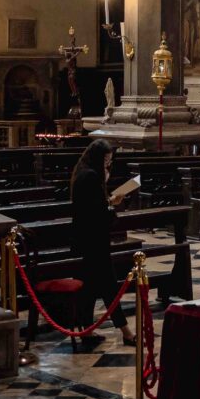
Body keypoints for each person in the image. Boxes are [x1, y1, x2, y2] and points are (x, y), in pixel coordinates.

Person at [57, 138, 136, 347]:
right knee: (109, 287)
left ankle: (87, 330)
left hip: (84, 241)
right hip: (93, 243)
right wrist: (112, 205)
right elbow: (99, 215)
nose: (108, 165)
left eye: (110, 161)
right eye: (106, 161)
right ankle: (126, 332)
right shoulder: (91, 176)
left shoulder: (83, 172)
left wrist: (108, 199)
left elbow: (92, 206)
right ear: (97, 158)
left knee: (89, 289)